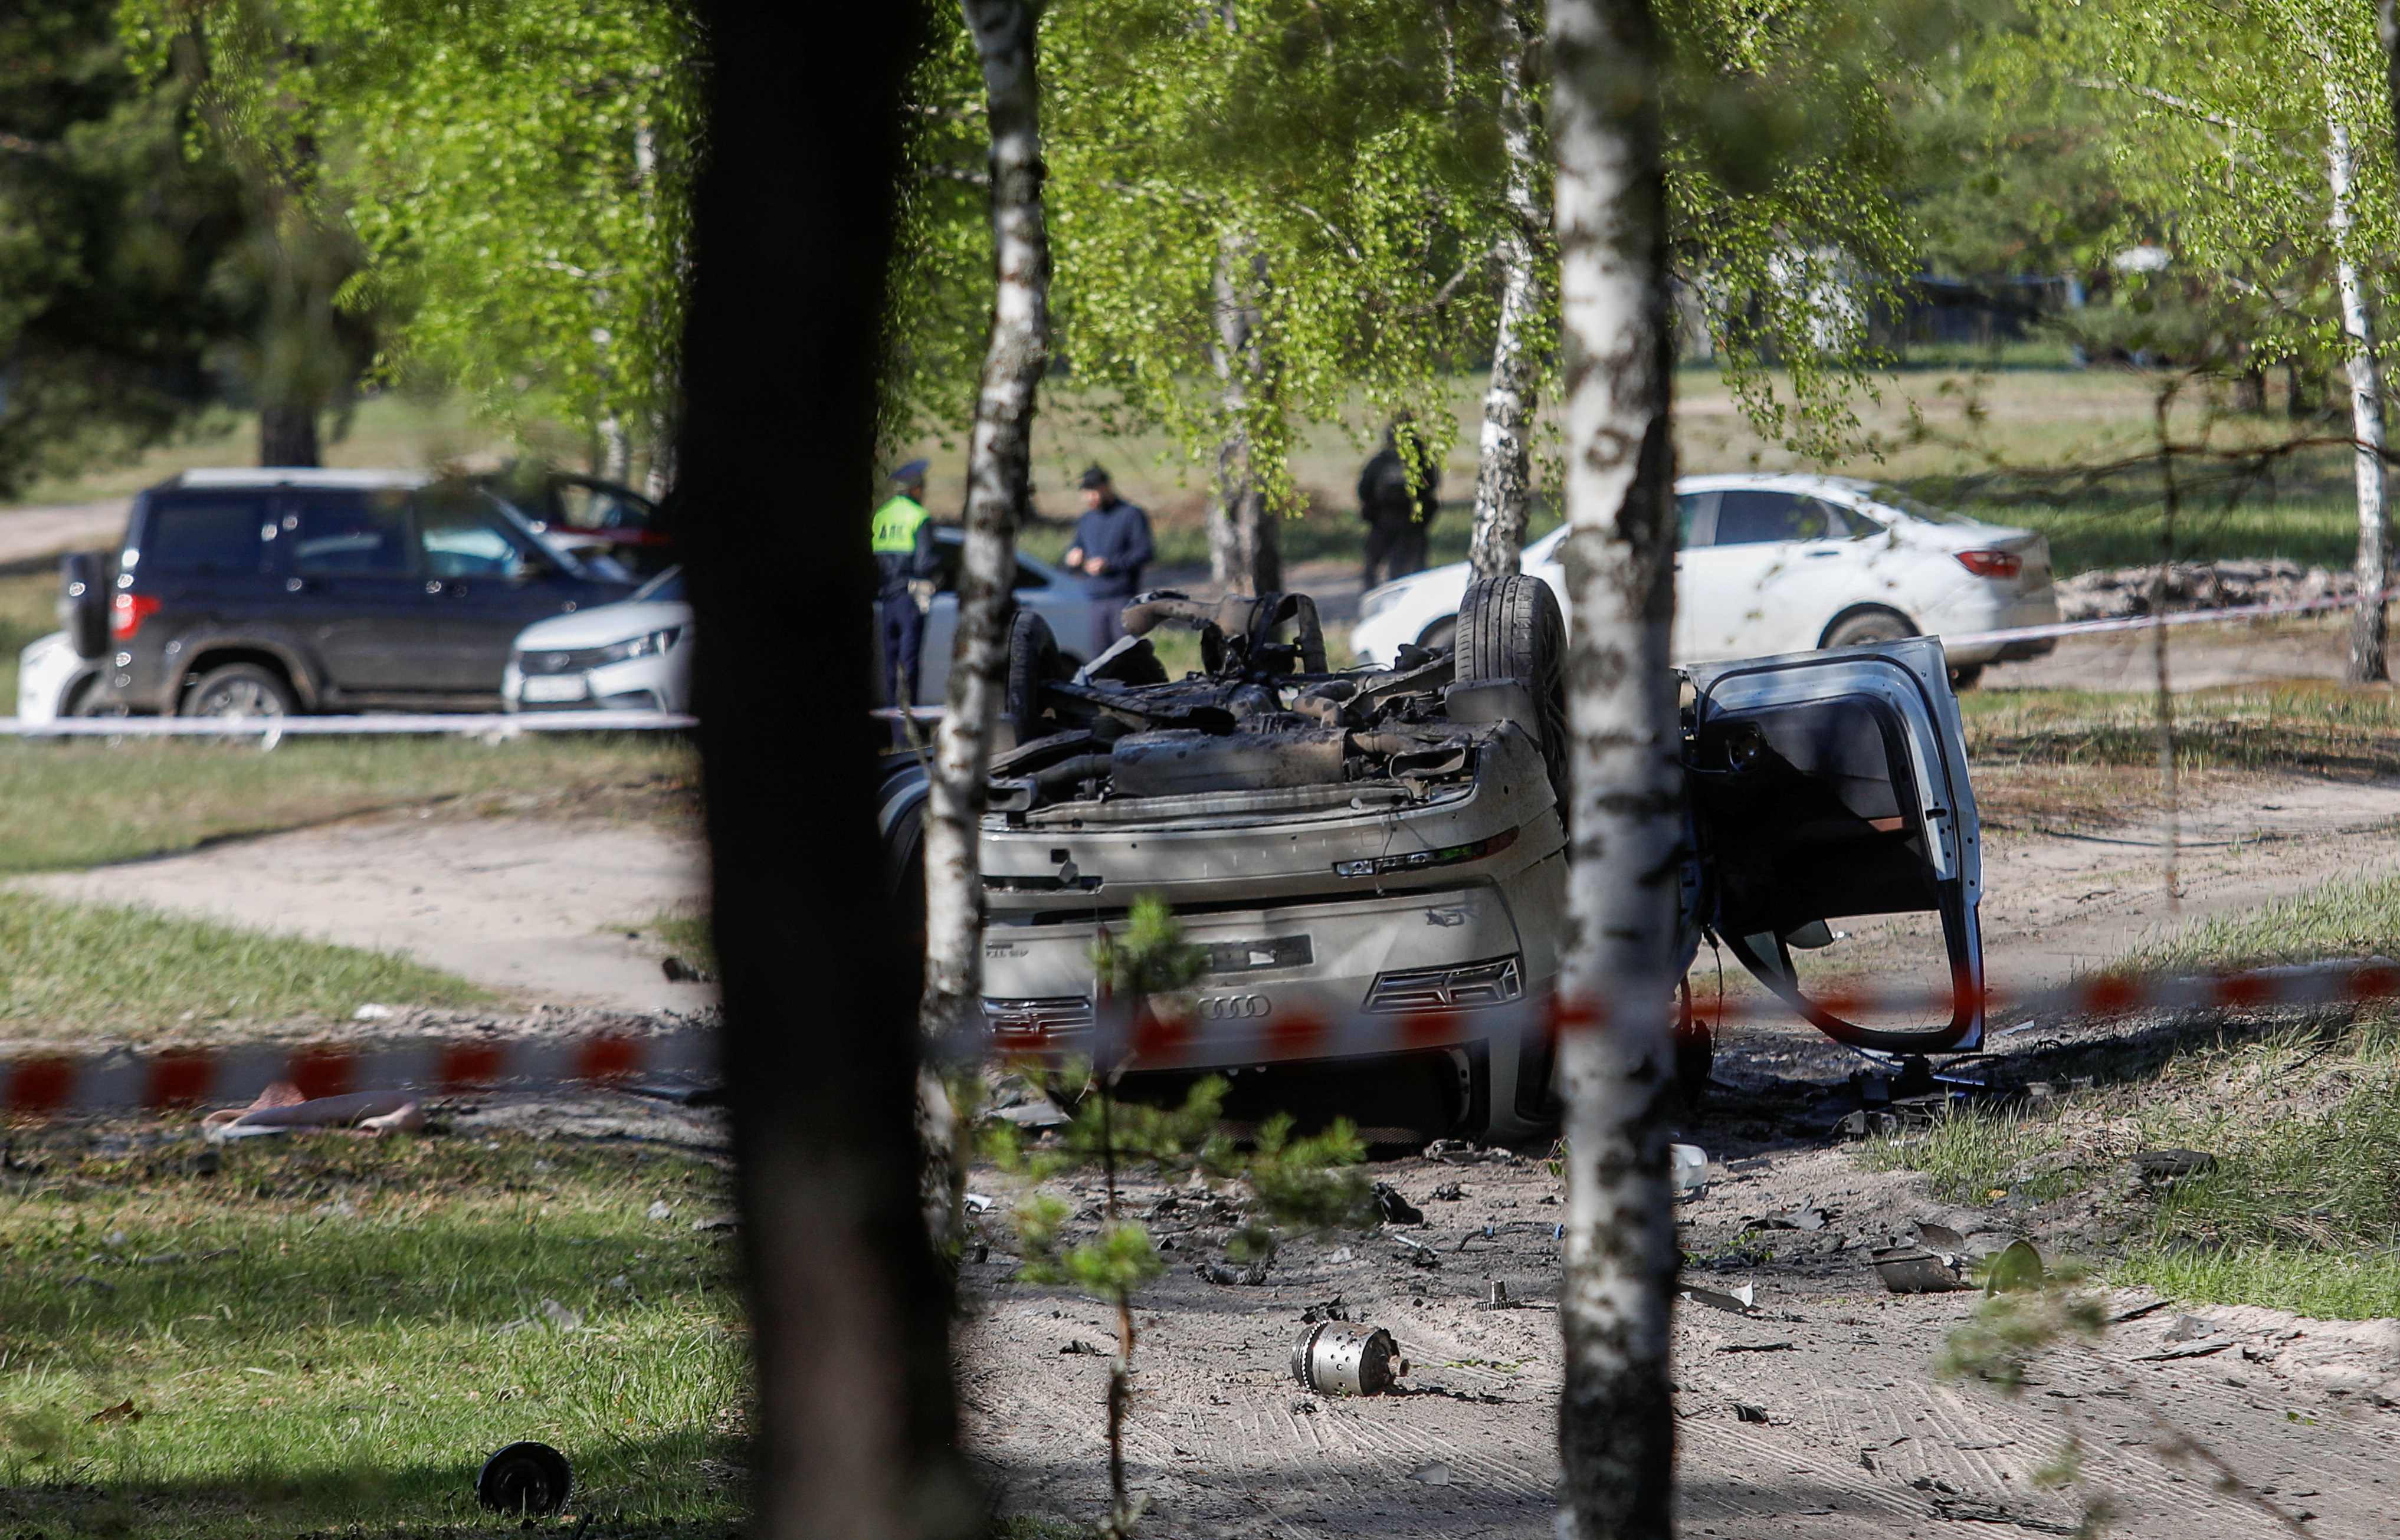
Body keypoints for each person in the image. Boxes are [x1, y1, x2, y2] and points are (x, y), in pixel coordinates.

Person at [1063, 464, 1153, 655]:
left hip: (1122, 598)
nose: (1089, 498)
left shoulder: (1131, 514)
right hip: (1094, 599)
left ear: (1107, 487)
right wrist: (1073, 559)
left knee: (1126, 656)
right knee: (1100, 659)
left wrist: (1110, 564)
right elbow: (1076, 550)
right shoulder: (1086, 520)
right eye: (1086, 493)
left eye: (1093, 492)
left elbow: (1145, 552)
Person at [870, 458, 939, 709]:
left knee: (890, 663)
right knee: (908, 664)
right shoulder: (919, 516)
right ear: (917, 490)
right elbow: (925, 564)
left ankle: (893, 728)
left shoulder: (881, 516)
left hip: (886, 597)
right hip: (909, 598)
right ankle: (908, 730)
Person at [1358, 415, 1440, 589]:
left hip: (1402, 523)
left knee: (1402, 568)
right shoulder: (1418, 462)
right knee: (1386, 567)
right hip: (1394, 522)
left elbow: (1364, 490)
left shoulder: (1383, 461)